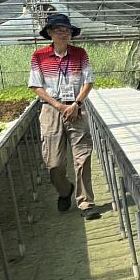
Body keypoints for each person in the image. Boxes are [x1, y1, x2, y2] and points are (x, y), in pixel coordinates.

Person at [28, 13, 100, 219]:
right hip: (51, 109)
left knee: (83, 156)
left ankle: (86, 203)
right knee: (54, 163)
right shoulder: (39, 56)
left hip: (76, 108)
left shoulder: (80, 54)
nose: (64, 33)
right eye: (59, 30)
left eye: (67, 30)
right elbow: (36, 85)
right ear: (49, 33)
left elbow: (88, 82)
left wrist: (76, 103)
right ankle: (65, 190)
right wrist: (59, 105)